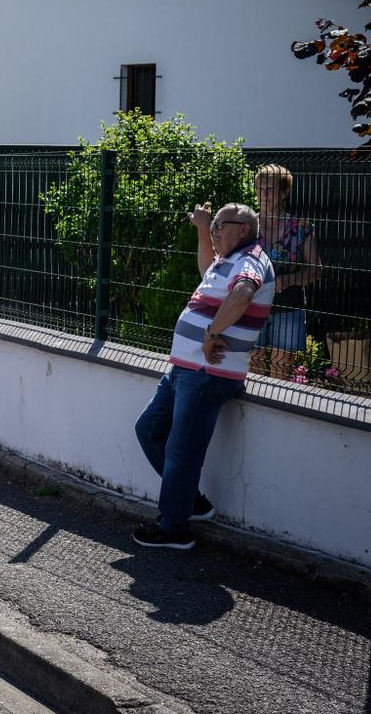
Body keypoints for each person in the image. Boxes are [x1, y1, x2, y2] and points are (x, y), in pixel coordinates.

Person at [132, 202, 274, 550]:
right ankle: (191, 502)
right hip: (185, 369)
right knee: (149, 429)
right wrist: (202, 229)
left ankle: (174, 528)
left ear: (243, 228)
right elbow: (207, 272)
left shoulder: (251, 259)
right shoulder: (228, 259)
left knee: (182, 451)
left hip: (207, 373)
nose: (215, 231)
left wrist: (211, 332)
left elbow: (243, 293)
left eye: (220, 225)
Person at [252, 164, 321, 380]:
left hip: (289, 305)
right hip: (251, 304)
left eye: (270, 189)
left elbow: (316, 269)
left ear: (284, 193)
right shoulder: (246, 225)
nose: (264, 194)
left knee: (280, 373)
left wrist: (289, 279)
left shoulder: (301, 227)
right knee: (251, 368)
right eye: (260, 189)